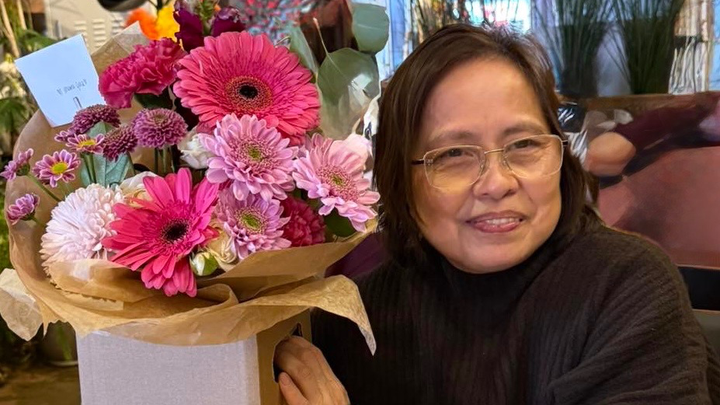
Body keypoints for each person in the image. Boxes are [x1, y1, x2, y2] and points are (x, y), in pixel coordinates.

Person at [274, 24, 720, 405]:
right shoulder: (355, 319)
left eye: (524, 145)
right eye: (453, 154)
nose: (497, 183)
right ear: (400, 180)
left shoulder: (624, 287)